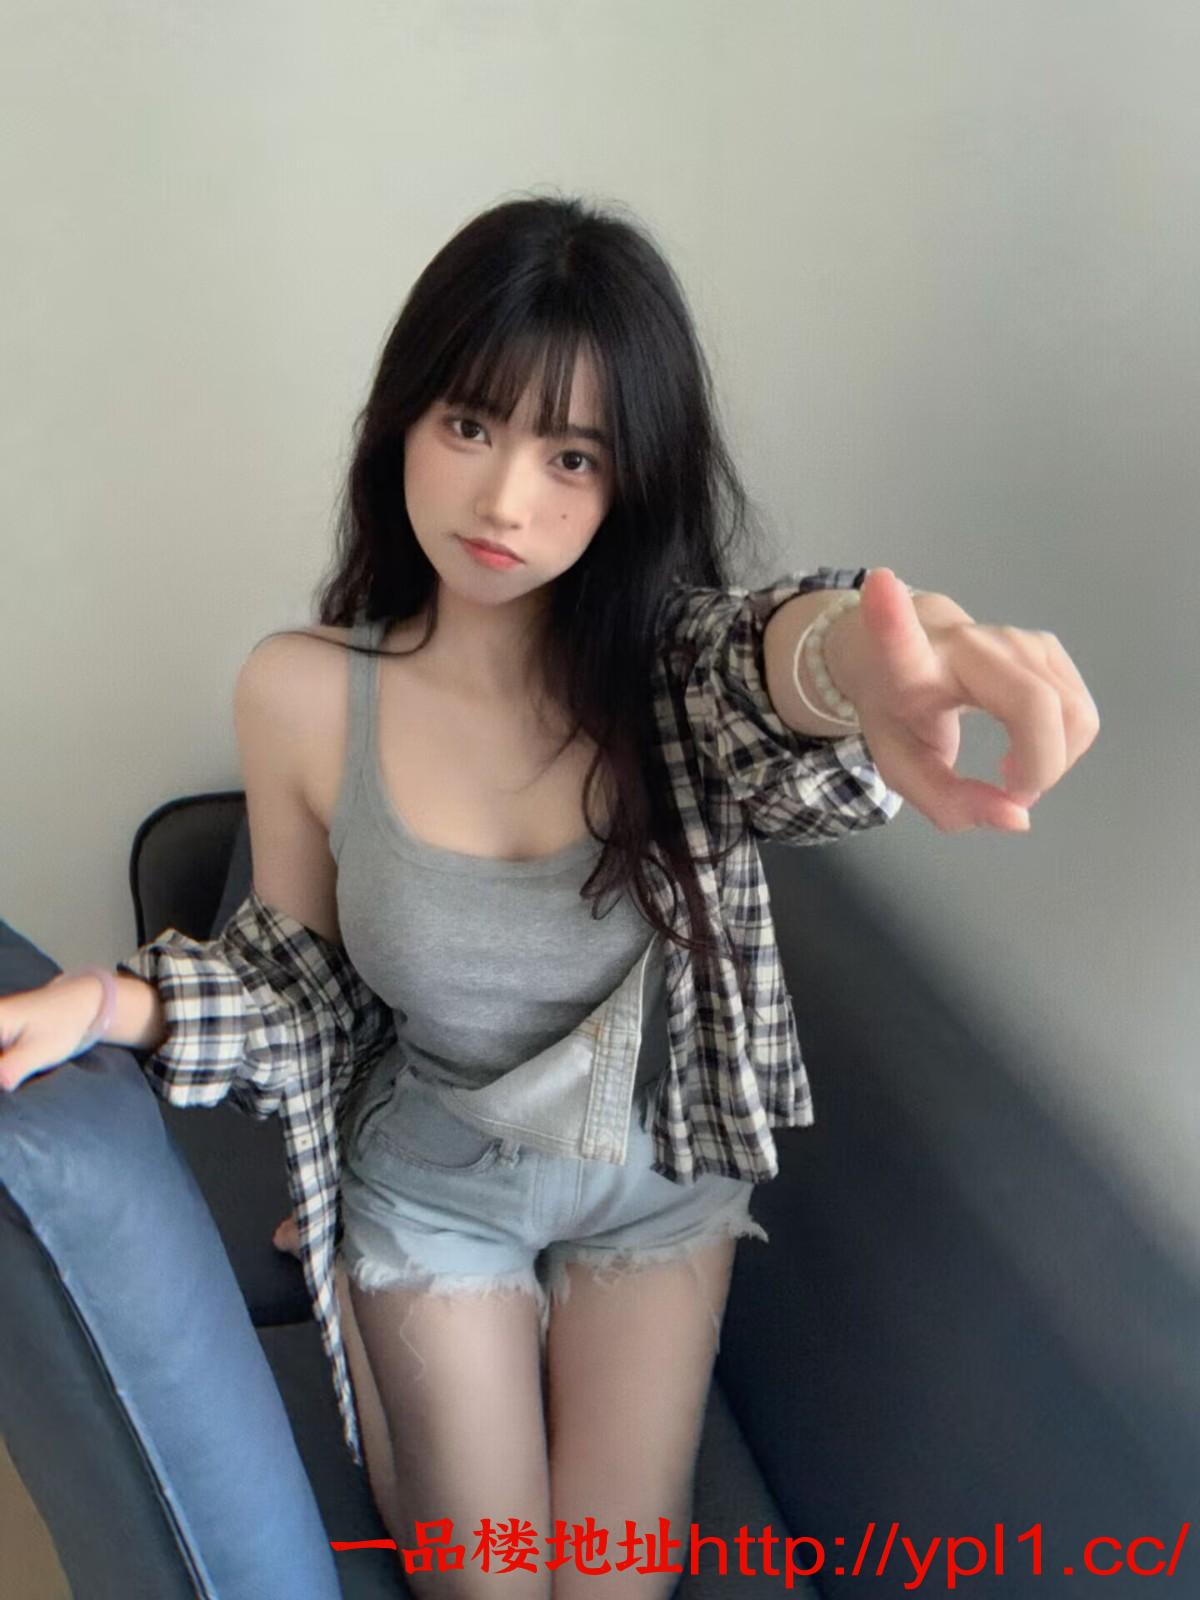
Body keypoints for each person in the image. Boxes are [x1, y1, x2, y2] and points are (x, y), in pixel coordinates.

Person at [0, 192, 1098, 1600]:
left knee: (614, 1579)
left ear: (631, 481)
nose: (506, 502)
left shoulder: (670, 681)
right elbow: (296, 977)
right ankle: (364, 1292)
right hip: (435, 1187)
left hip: (660, 1189)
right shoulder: (300, 693)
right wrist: (112, 1001)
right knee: (487, 1583)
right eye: (470, 425)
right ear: (401, 423)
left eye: (572, 455)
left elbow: (772, 664)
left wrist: (859, 662)